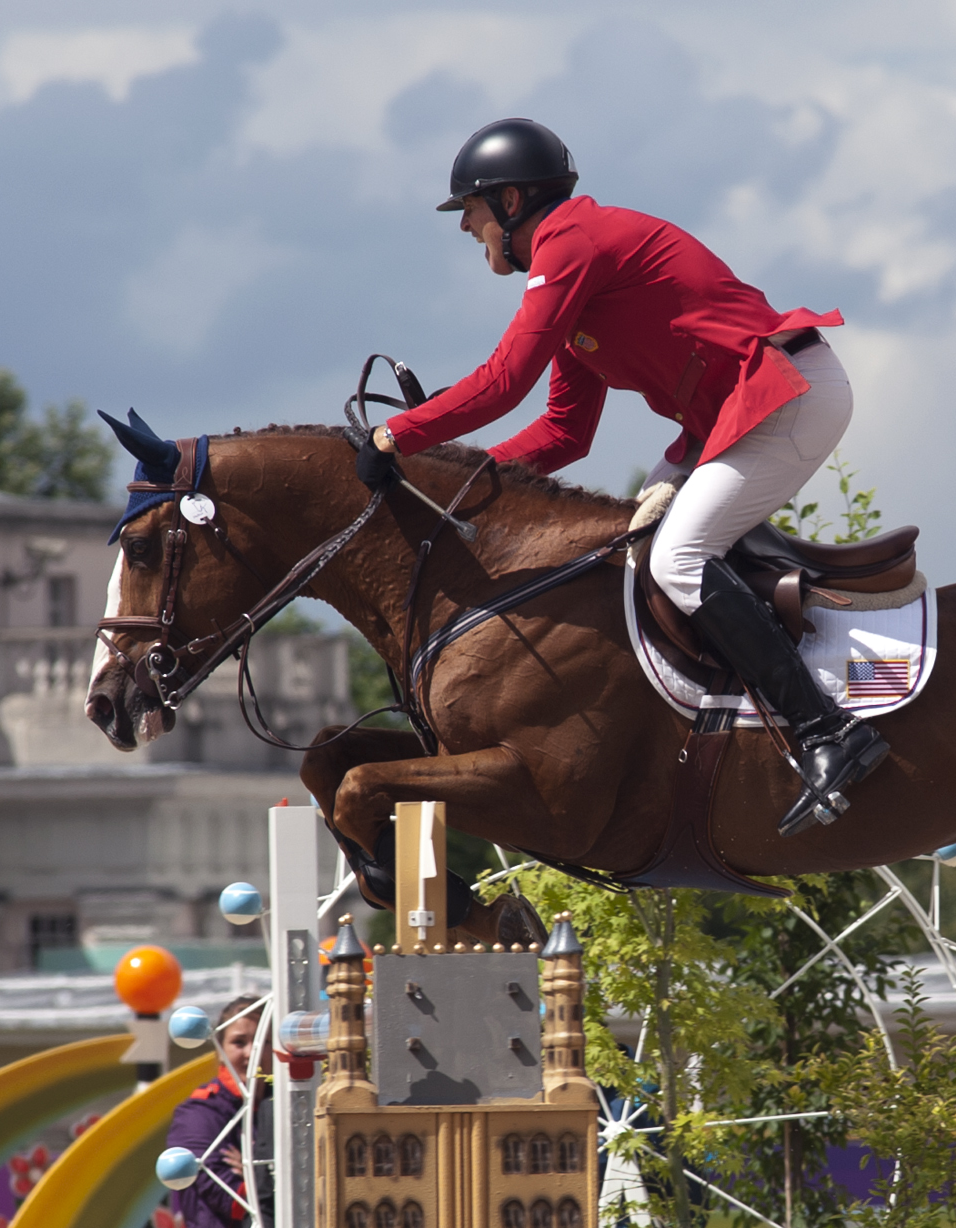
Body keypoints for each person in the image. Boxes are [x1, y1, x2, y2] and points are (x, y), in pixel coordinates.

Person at [361, 118, 889, 836]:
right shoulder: (579, 275)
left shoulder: (571, 244)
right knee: (632, 541)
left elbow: (504, 380)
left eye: (472, 211)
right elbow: (563, 434)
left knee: (677, 557)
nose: (466, 229)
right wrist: (460, 480)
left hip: (785, 396)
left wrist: (400, 437)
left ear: (511, 201)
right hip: (735, 416)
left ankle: (828, 733)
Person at [165, 995, 275, 1226]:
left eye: (262, 1041)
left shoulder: (284, 1104)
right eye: (239, 1042)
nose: (250, 1054)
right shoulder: (198, 1113)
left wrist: (253, 1167)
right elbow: (233, 1202)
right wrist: (272, 1169)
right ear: (220, 1050)